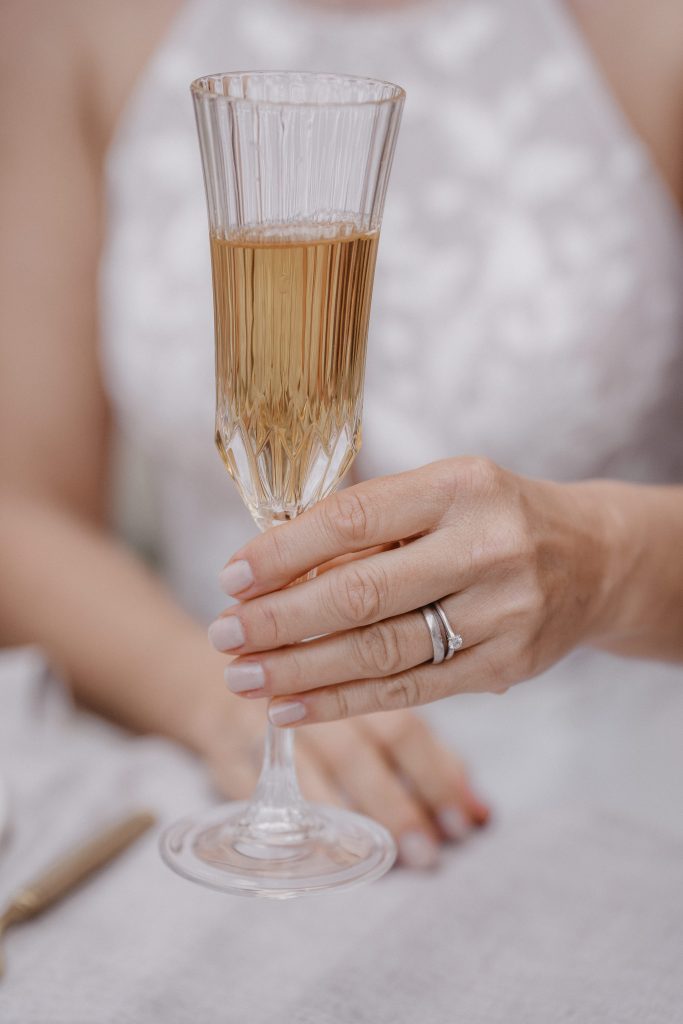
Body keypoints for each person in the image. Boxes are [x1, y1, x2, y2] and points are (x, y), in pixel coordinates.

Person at [1, 0, 681, 874]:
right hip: (220, 779)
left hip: (611, 802)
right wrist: (219, 695)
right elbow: (17, 505)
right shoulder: (68, 23)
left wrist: (607, 560)